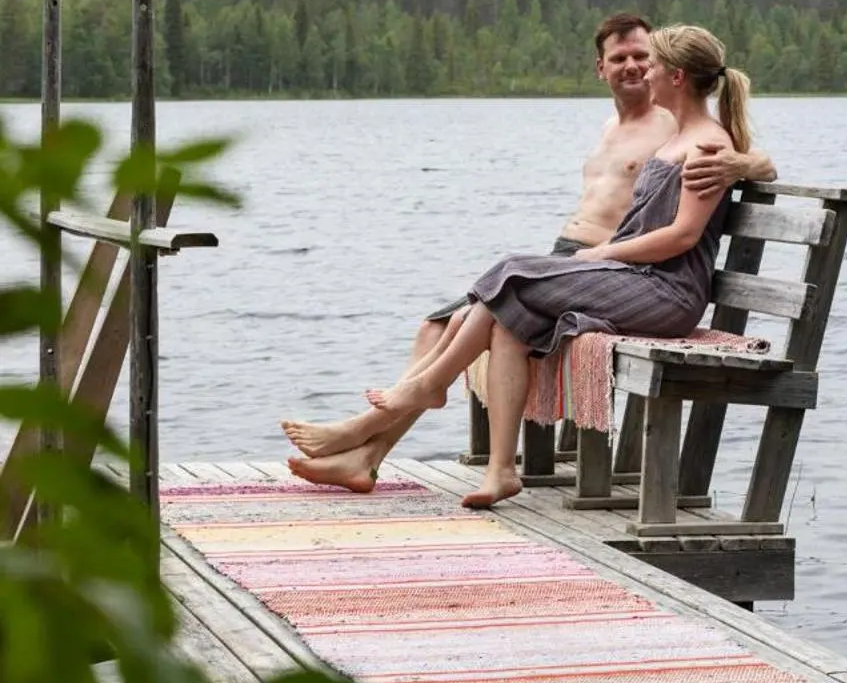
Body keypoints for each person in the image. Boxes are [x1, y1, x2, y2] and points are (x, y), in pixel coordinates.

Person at [281, 25, 755, 504]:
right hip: (624, 275)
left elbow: (685, 234)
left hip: (659, 288)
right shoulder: (667, 133)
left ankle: (419, 391)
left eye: (648, 62)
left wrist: (603, 251)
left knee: (507, 275)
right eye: (624, 59)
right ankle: (497, 472)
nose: (641, 71)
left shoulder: (702, 144)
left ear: (675, 76)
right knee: (506, 318)